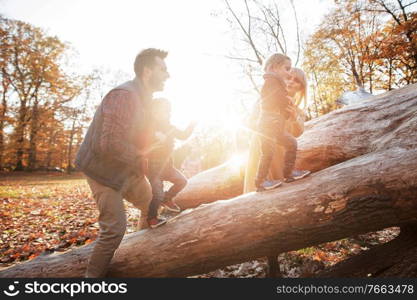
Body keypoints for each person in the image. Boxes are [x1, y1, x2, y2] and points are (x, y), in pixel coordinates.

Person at [75, 48, 170, 277]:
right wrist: (141, 156)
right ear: (147, 71)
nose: (168, 75)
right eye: (163, 69)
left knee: (149, 202)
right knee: (114, 230)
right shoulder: (124, 95)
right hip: (102, 171)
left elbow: (137, 136)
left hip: (123, 167)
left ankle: (137, 251)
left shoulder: (145, 100)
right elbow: (108, 145)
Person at [244, 66, 310, 193]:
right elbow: (251, 122)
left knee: (281, 194)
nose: (291, 81)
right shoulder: (266, 99)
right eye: (288, 77)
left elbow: (298, 133)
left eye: (296, 80)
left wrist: (293, 117)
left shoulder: (298, 111)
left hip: (281, 154)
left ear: (301, 87)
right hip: (261, 149)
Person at [146, 98, 196, 227]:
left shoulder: (170, 127)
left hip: (167, 166)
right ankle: (152, 219)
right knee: (156, 193)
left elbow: (183, 135)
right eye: (162, 112)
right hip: (153, 167)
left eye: (168, 112)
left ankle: (167, 198)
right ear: (154, 113)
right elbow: (141, 139)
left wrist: (191, 125)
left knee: (182, 181)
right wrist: (153, 136)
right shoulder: (148, 127)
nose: (166, 114)